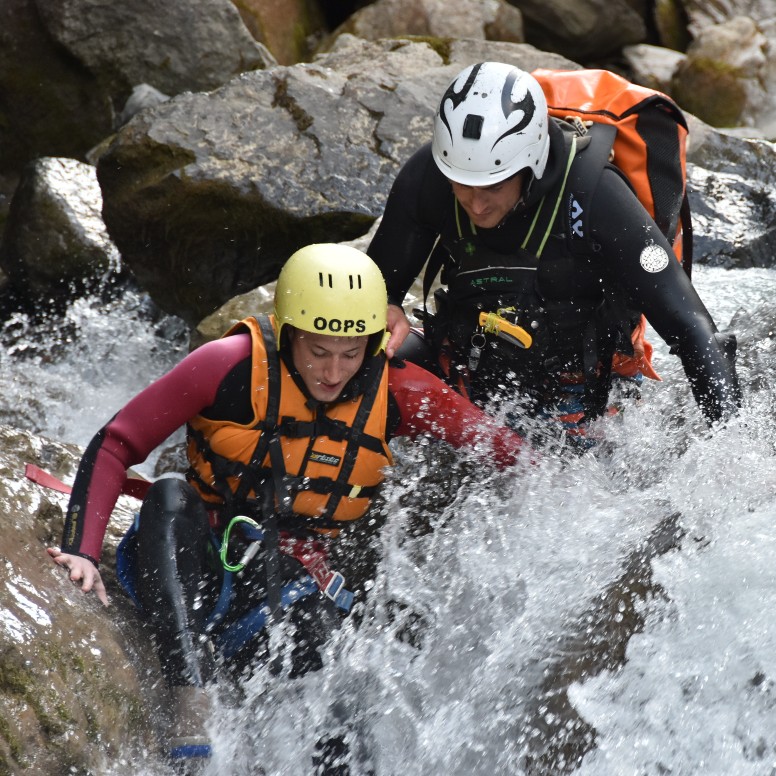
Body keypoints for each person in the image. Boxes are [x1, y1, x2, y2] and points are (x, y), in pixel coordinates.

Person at [46, 243, 528, 772]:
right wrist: (82, 551)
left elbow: (511, 454)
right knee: (168, 495)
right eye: (319, 351)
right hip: (195, 556)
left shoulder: (398, 388)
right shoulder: (227, 365)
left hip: (282, 582)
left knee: (328, 665)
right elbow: (117, 443)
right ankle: (191, 697)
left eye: (350, 352)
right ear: (291, 333)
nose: (334, 371)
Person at [367, 61, 741, 436]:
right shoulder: (429, 175)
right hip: (468, 372)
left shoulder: (597, 195)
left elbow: (692, 329)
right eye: (462, 185)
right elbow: (372, 298)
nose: (476, 204)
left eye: (494, 186)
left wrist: (728, 445)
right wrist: (383, 311)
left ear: (530, 165)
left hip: (579, 394)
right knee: (362, 372)